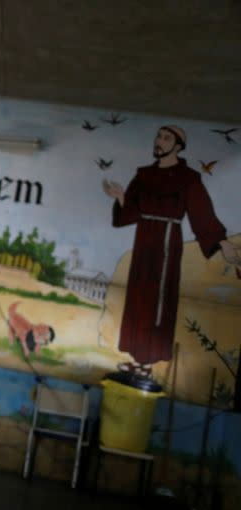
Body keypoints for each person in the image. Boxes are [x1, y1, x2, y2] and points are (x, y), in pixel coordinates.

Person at [102, 125, 241, 376]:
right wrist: (121, 196)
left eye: (167, 138)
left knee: (158, 297)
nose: (160, 141)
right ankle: (137, 358)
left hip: (166, 242)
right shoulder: (143, 174)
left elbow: (202, 214)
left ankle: (148, 360)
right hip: (144, 239)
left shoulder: (188, 178)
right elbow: (130, 213)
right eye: (158, 136)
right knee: (139, 296)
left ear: (178, 146)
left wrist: (221, 242)